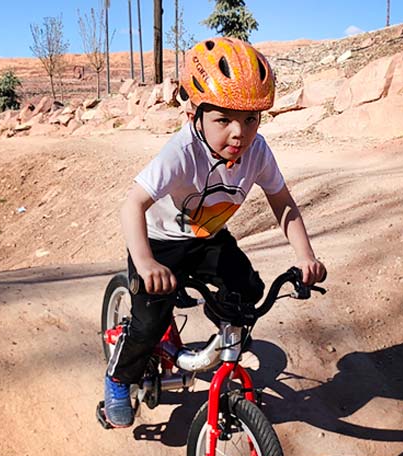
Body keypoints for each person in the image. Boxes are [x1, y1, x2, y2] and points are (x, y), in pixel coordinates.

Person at [102, 37, 327, 428]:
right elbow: (132, 205)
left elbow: (283, 203)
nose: (239, 133)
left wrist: (305, 256)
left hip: (207, 238)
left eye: (251, 119)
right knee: (149, 324)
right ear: (195, 114)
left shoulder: (257, 152)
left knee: (249, 294)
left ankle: (221, 336)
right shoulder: (181, 152)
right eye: (223, 119)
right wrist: (146, 263)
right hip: (160, 244)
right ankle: (119, 377)